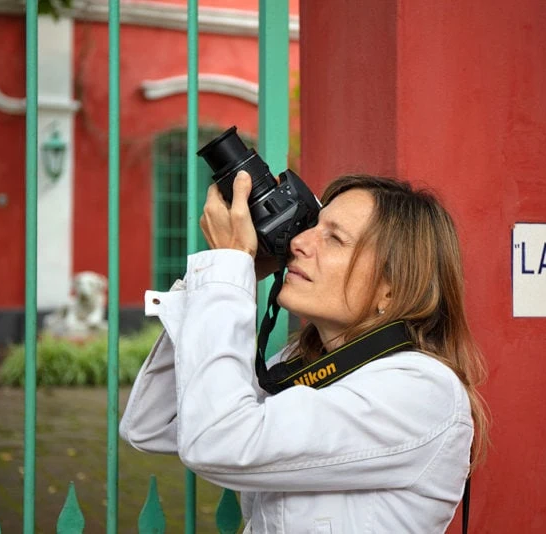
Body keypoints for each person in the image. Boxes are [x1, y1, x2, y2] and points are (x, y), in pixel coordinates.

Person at [120, 171, 489, 533]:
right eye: (312, 225)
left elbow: (218, 442)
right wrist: (234, 272)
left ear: (391, 289)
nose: (299, 242)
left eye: (335, 239)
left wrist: (227, 270)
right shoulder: (300, 368)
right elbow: (154, 424)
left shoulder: (420, 391)